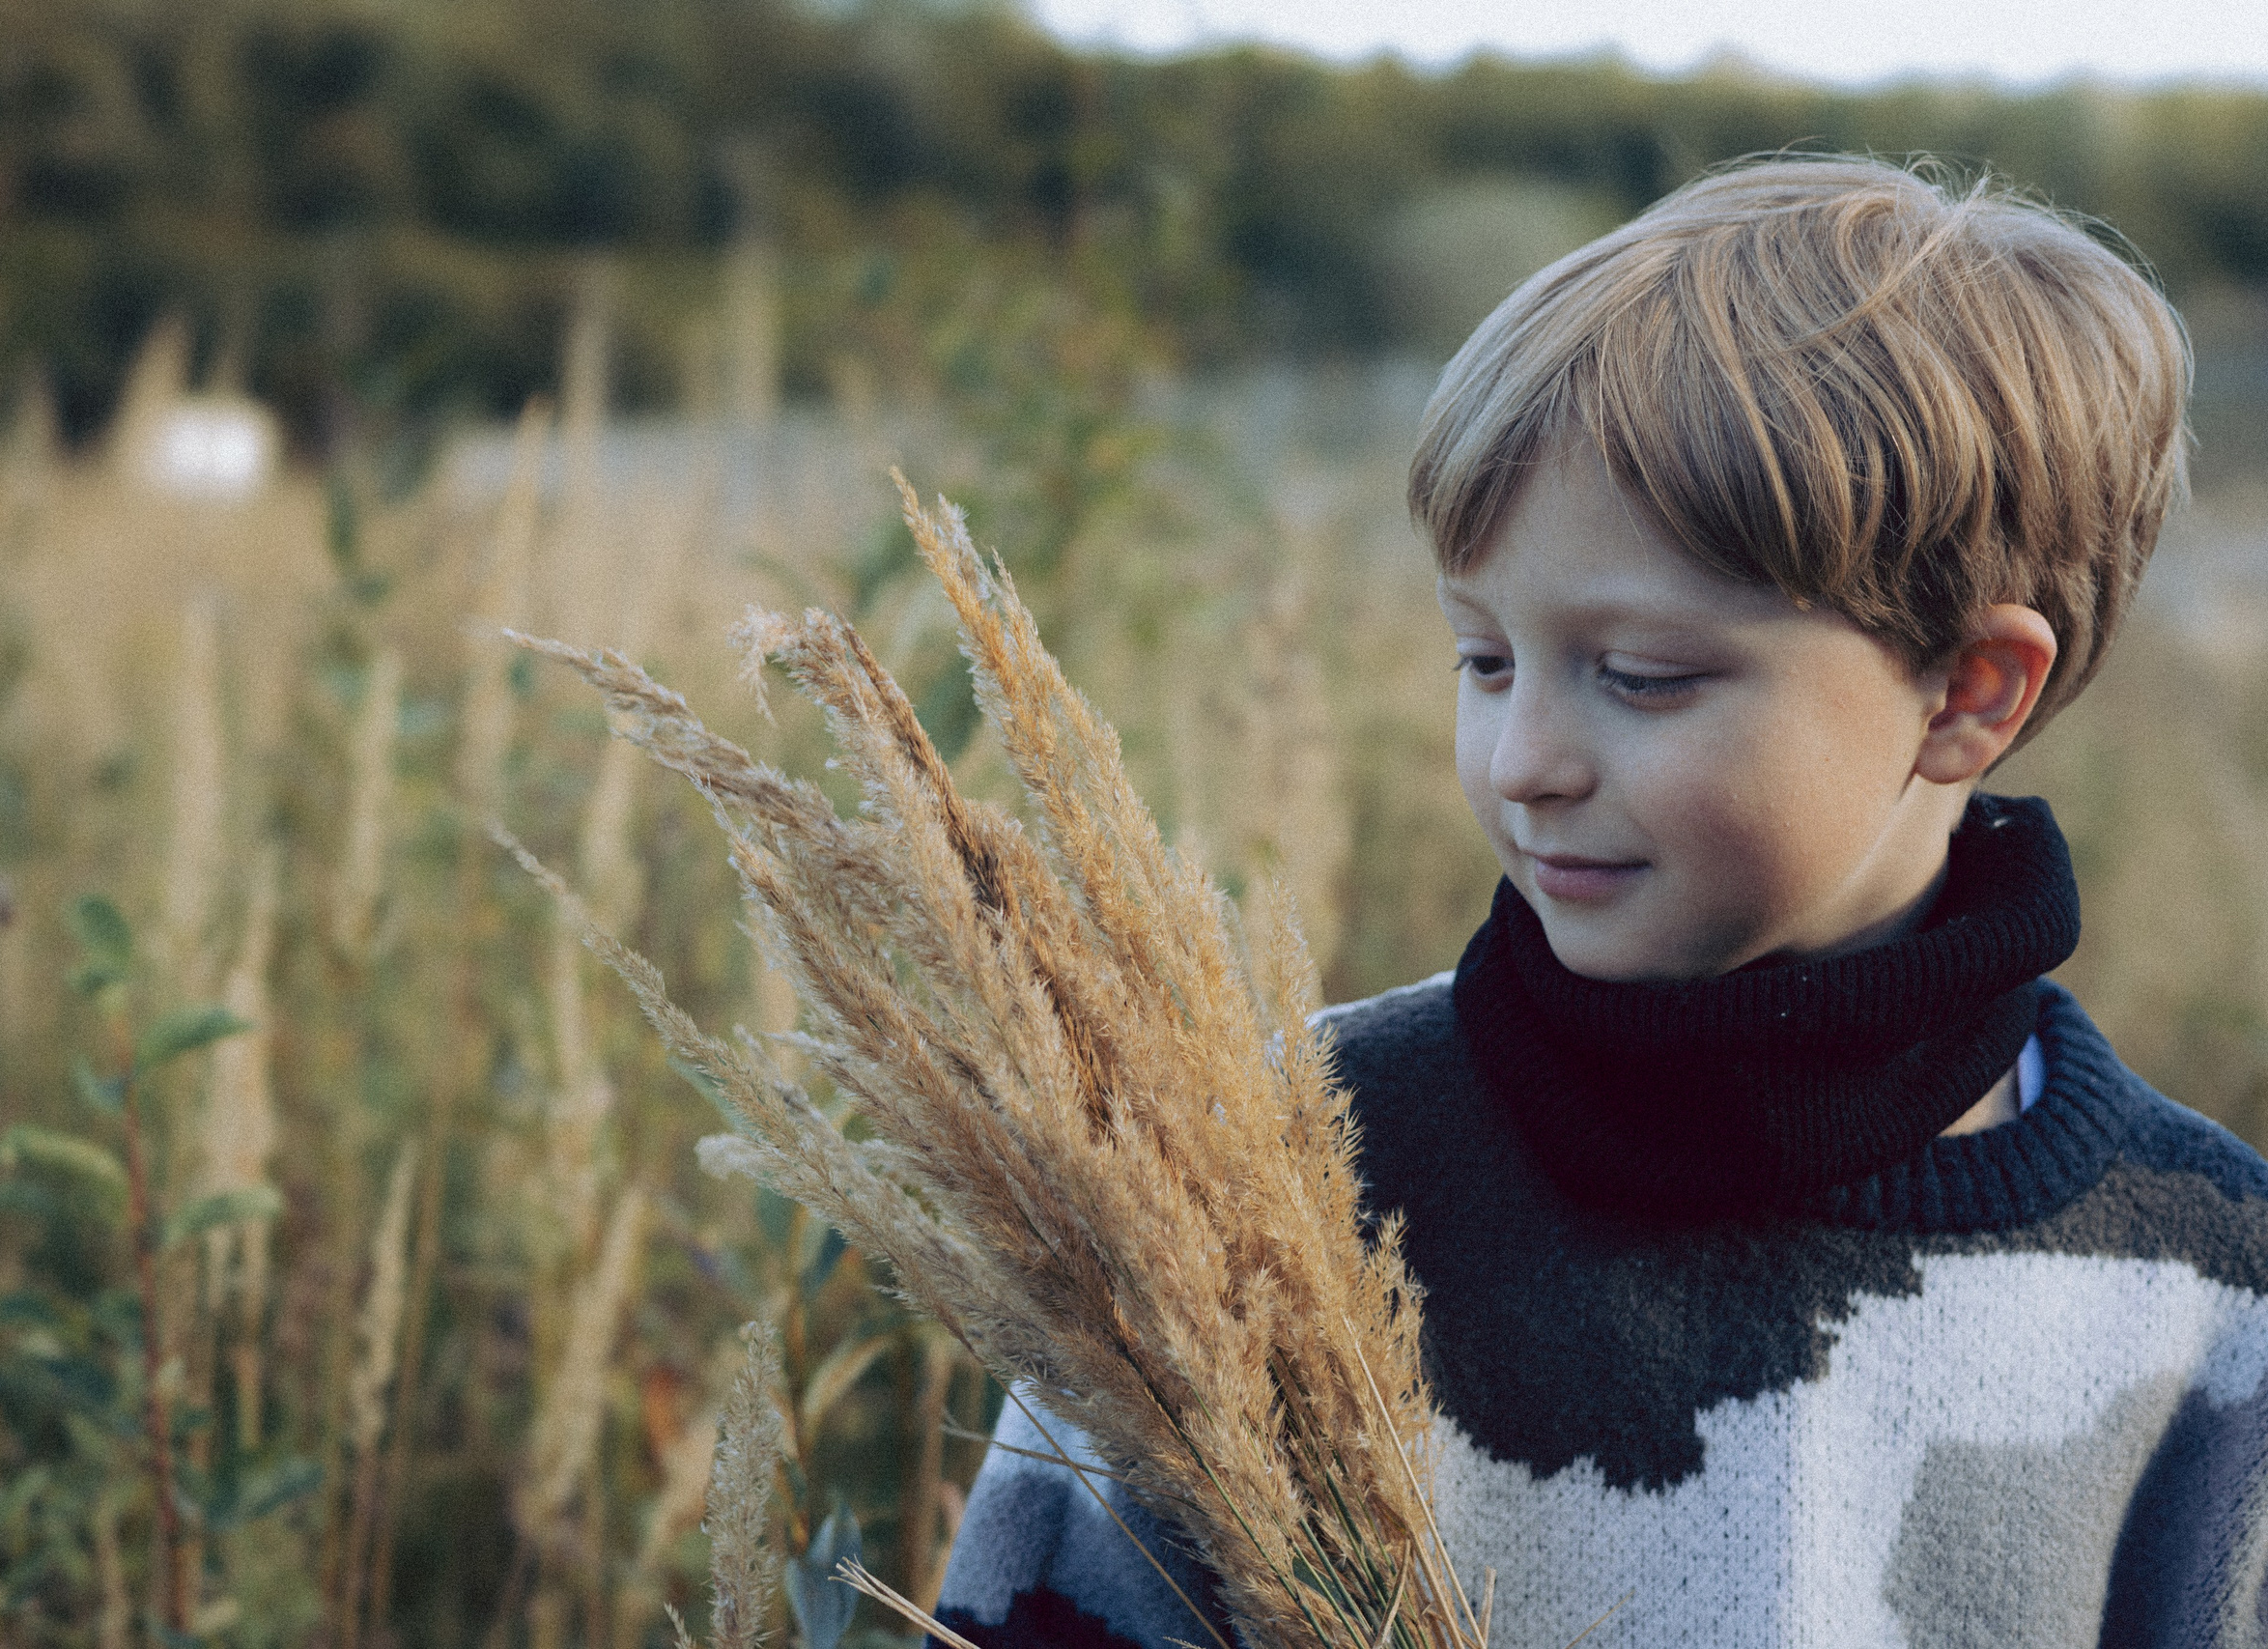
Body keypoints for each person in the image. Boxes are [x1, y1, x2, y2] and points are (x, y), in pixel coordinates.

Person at [929, 156, 2263, 1648]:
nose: (1525, 760)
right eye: (1483, 659)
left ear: (1969, 693)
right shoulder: (1272, 1167)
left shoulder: (2202, 1285)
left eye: (1640, 677)